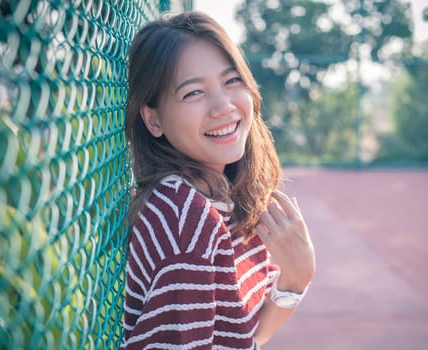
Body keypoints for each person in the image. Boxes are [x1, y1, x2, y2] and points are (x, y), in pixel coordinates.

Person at [122, 11, 315, 349]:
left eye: (231, 81)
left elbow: (246, 338)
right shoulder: (185, 220)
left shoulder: (225, 197)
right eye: (193, 93)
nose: (223, 106)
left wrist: (296, 279)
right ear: (153, 120)